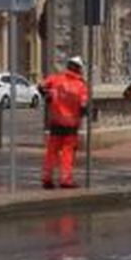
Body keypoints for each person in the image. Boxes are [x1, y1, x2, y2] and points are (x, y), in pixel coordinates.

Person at [39, 55, 90, 189]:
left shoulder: (56, 78)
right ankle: (65, 179)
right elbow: (83, 106)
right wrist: (86, 112)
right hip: (71, 124)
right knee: (67, 153)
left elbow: (41, 87)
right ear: (79, 69)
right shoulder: (81, 85)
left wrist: (48, 98)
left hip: (56, 121)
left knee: (52, 151)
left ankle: (47, 177)